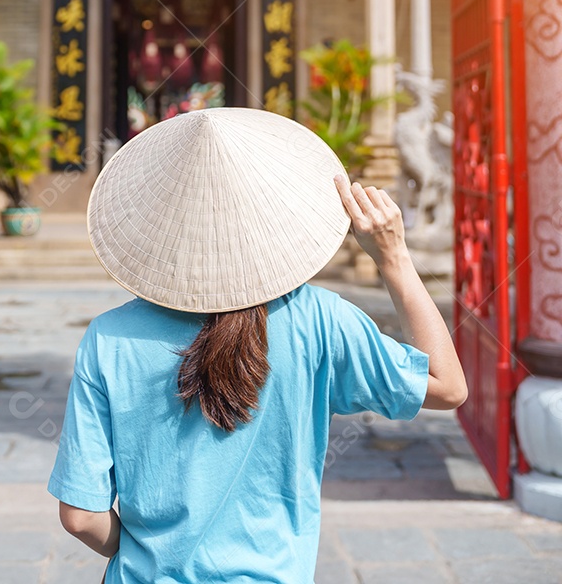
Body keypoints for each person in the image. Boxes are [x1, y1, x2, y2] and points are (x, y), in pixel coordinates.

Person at [49, 108, 467, 584]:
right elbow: (448, 387)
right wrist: (395, 260)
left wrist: (156, 556)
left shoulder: (110, 339)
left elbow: (80, 516)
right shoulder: (320, 319)